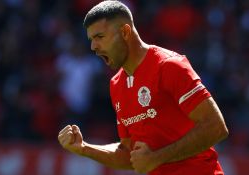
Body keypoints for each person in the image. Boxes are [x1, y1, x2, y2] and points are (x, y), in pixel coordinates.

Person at [58, 0, 229, 174]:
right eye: (91, 40)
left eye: (100, 37)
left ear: (125, 31)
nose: (93, 47)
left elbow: (216, 127)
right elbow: (129, 154)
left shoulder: (169, 66)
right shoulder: (116, 84)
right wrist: (84, 148)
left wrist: (157, 158)